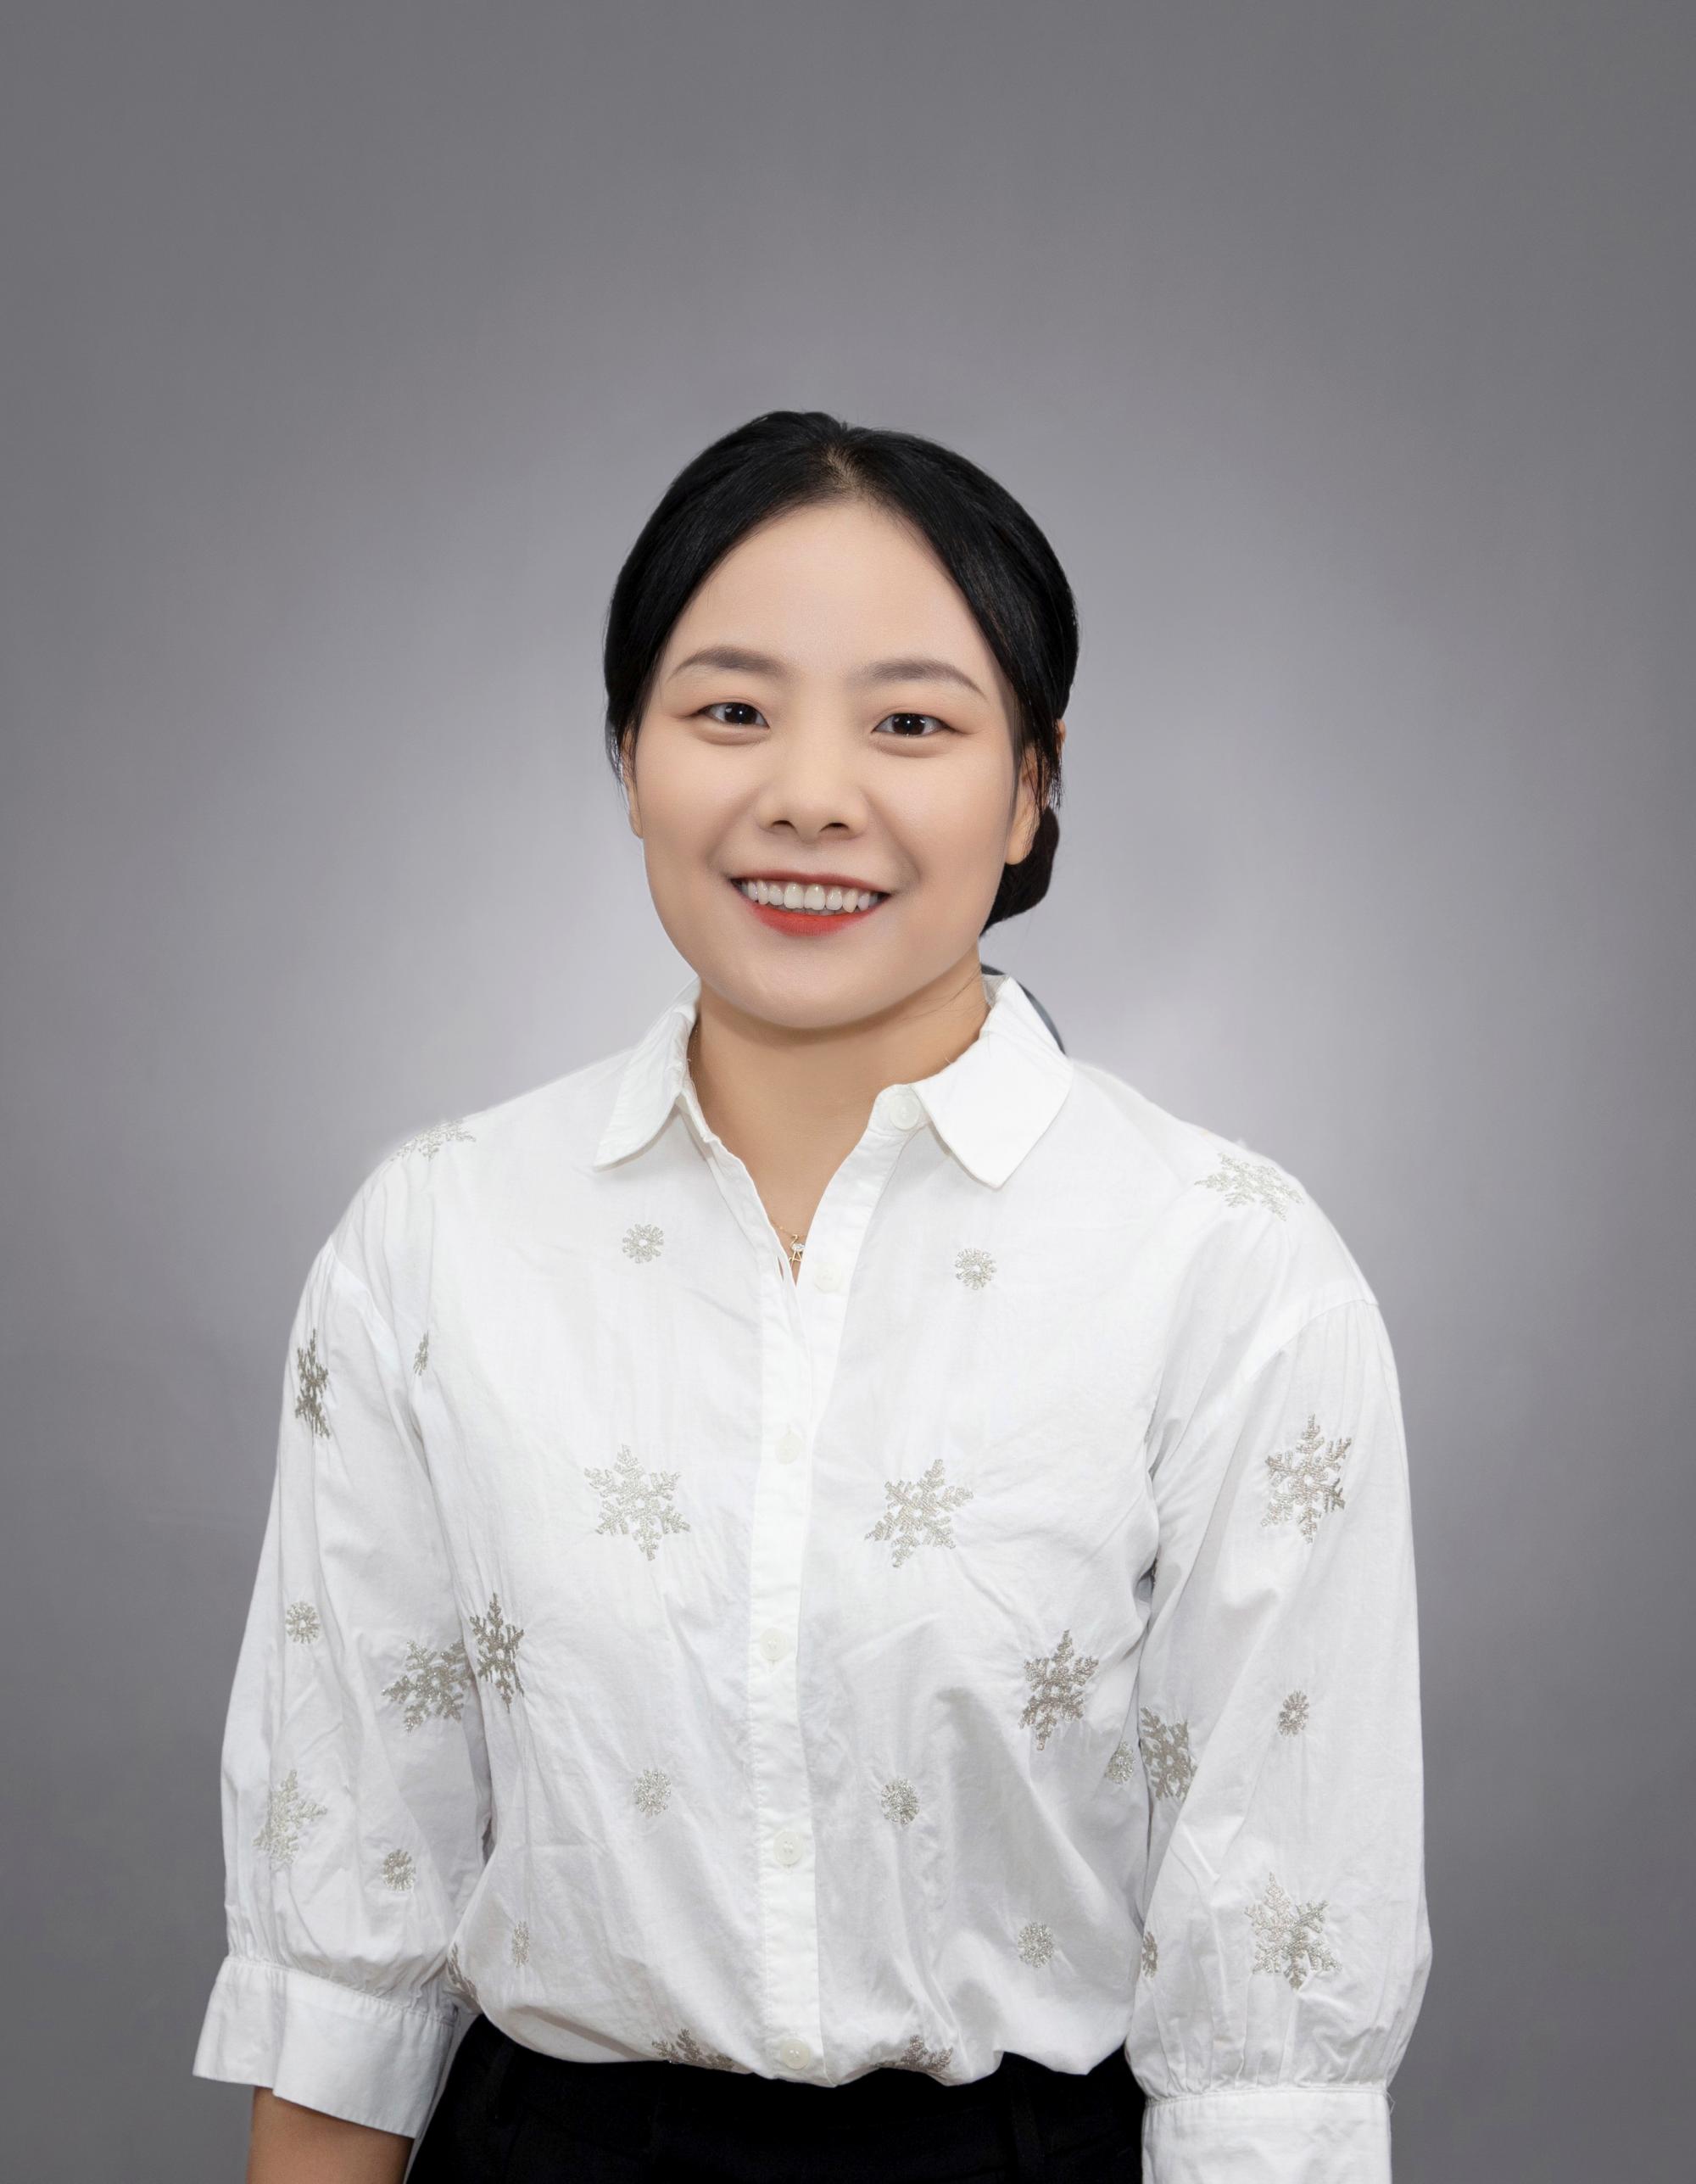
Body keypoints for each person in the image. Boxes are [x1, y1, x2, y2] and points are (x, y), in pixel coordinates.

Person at [192, 410, 1431, 2183]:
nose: (811, 794)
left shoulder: (1226, 1271)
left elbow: (1272, 2047)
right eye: (730, 711)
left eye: (911, 723)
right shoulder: (439, 1238)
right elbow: (345, 1943)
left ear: (1033, 785)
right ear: (629, 755)